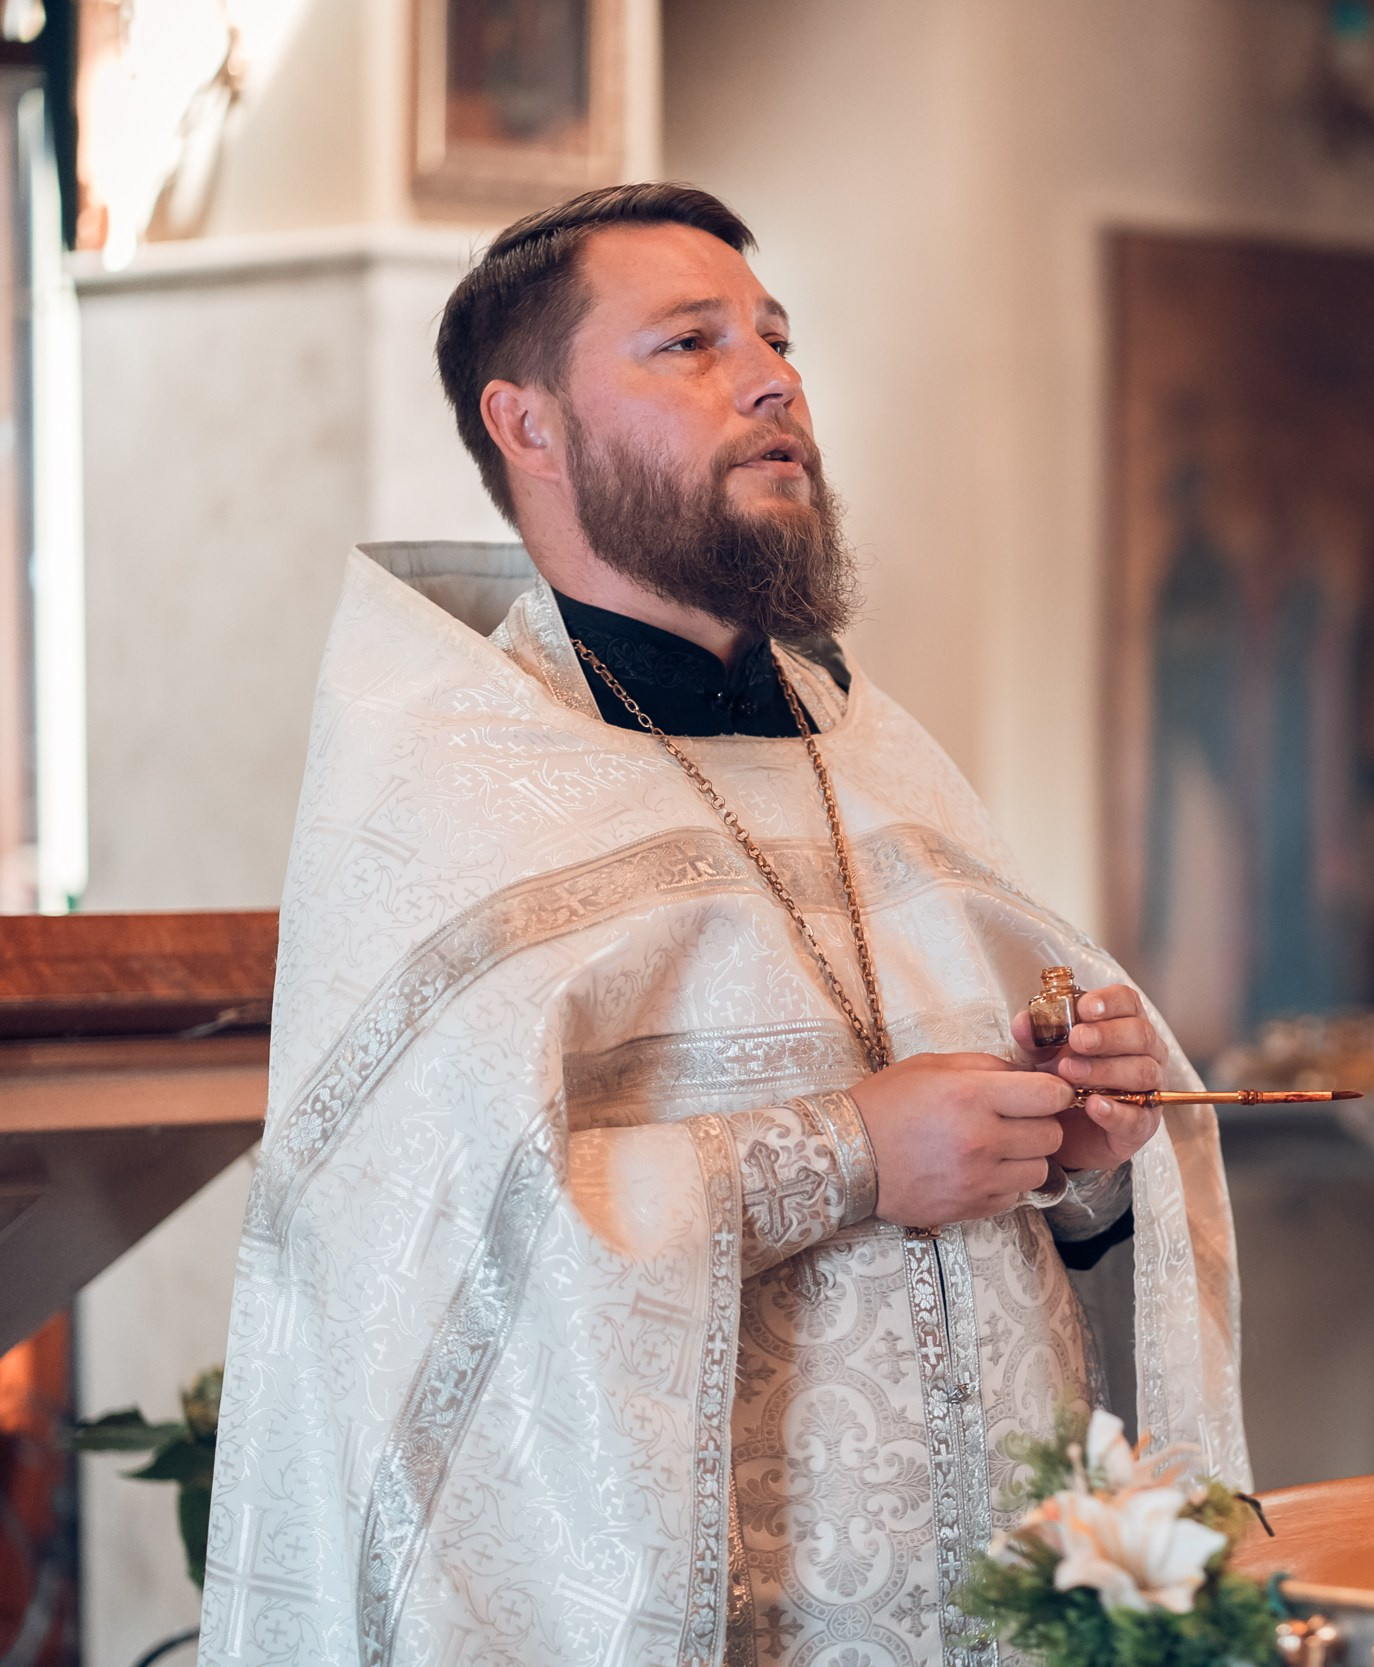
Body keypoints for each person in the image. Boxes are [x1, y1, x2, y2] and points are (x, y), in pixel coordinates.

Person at [201, 183, 1248, 1667]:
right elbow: (431, 1266)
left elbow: (1054, 1214)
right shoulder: (449, 794)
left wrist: (1081, 1145)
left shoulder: (873, 755)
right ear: (530, 425)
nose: (772, 379)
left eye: (775, 336)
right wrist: (852, 1151)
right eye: (690, 343)